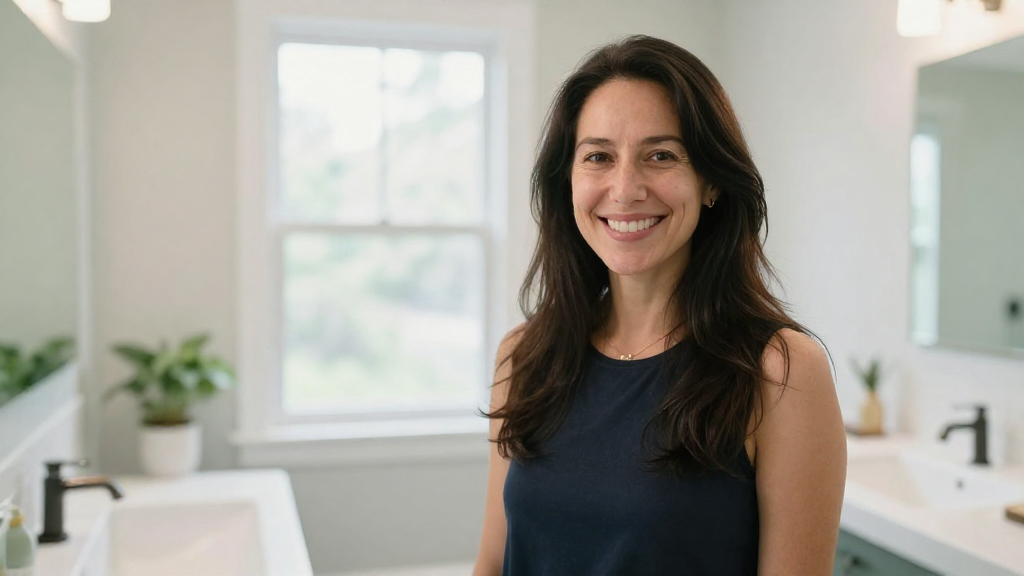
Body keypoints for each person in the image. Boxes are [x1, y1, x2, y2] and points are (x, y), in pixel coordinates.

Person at [472, 35, 846, 576]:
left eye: (661, 156)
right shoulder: (524, 356)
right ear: (567, 182)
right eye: (598, 156)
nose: (625, 189)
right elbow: (492, 561)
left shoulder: (780, 371)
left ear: (712, 180)